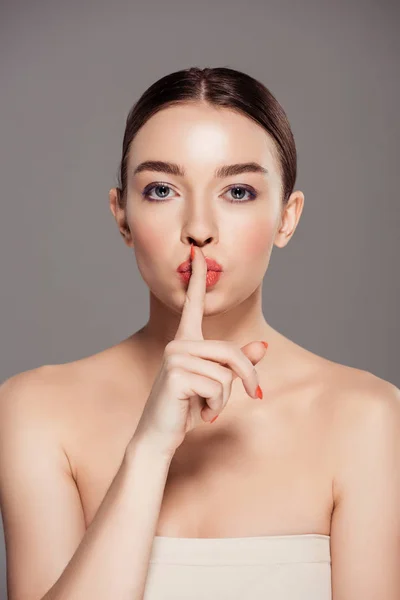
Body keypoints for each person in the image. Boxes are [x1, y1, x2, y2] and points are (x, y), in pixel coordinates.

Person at [0, 66, 399, 600]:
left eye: (237, 191)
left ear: (287, 217)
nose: (199, 228)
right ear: (122, 215)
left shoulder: (369, 417)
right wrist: (149, 450)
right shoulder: (32, 410)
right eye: (162, 189)